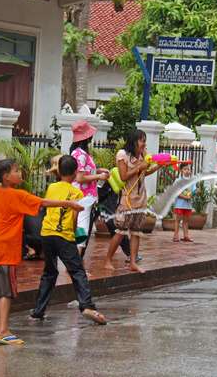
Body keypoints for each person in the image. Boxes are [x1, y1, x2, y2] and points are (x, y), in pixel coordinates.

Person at [0, 159, 84, 345]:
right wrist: (70, 204)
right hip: (6, 247)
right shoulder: (17, 195)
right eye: (16, 171)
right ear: (6, 177)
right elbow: (43, 203)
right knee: (6, 290)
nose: (20, 173)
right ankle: (2, 330)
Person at [29, 155, 107, 324]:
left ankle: (38, 310)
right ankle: (86, 305)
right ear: (75, 172)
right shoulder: (76, 192)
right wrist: (73, 233)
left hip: (47, 234)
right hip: (64, 235)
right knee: (77, 271)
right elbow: (73, 217)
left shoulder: (51, 188)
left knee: (49, 272)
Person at [103, 130, 159, 273]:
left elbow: (143, 174)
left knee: (136, 232)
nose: (144, 144)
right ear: (133, 141)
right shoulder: (123, 155)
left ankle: (133, 262)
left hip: (140, 200)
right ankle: (107, 260)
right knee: (120, 231)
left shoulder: (141, 156)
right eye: (141, 140)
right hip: (127, 200)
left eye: (144, 140)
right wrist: (139, 167)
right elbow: (123, 176)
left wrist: (158, 166)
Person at [70, 120, 110, 255]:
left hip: (85, 197)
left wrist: (98, 171)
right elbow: (80, 178)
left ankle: (75, 266)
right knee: (82, 231)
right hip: (83, 196)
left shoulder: (80, 153)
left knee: (81, 230)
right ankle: (75, 267)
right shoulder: (80, 154)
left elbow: (84, 172)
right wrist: (99, 177)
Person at [173, 163, 196, 243]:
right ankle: (175, 236)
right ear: (181, 170)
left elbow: (193, 191)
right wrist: (184, 197)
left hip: (188, 205)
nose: (187, 171)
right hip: (179, 205)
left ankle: (186, 236)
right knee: (177, 220)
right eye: (185, 169)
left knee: (186, 221)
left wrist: (193, 194)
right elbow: (176, 192)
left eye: (188, 169)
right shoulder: (178, 181)